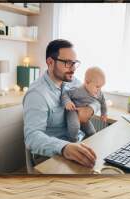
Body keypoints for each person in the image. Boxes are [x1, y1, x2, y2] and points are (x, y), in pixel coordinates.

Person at [23, 39, 100, 168]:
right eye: (67, 63)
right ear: (50, 62)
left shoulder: (73, 81)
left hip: (78, 142)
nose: (73, 68)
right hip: (50, 153)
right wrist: (64, 147)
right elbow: (32, 138)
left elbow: (96, 97)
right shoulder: (37, 94)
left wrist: (91, 109)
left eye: (74, 63)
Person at [62, 67, 108, 142]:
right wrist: (67, 102)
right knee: (75, 127)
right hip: (73, 110)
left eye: (101, 87)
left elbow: (103, 102)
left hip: (84, 114)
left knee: (92, 133)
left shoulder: (98, 93)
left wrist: (104, 113)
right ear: (86, 82)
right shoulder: (78, 90)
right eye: (97, 87)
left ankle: (83, 144)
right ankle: (72, 143)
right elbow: (65, 93)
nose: (99, 90)